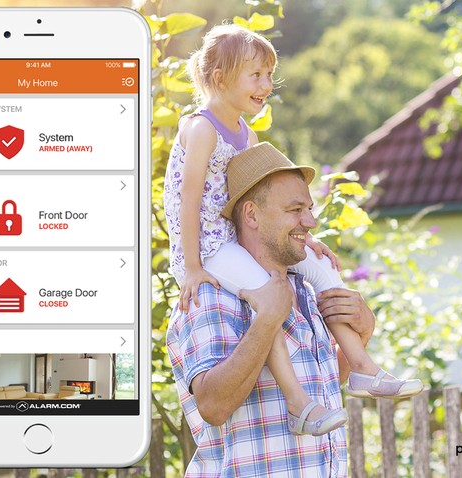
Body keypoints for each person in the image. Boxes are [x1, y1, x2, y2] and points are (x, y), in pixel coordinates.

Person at [163, 24, 422, 436]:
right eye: (257, 75)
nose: (267, 84)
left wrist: (304, 237)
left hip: (230, 237)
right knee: (269, 298)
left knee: (322, 268)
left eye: (269, 74)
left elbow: (257, 198)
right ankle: (298, 403)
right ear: (219, 79)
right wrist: (192, 266)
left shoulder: (246, 133)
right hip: (207, 247)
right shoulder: (201, 128)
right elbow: (187, 199)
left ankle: (362, 367)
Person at [166, 143, 378, 476]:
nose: (310, 221)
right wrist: (267, 320)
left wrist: (361, 336)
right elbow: (213, 405)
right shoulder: (210, 294)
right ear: (251, 215)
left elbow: (321, 384)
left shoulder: (305, 290)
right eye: (295, 210)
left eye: (309, 208)